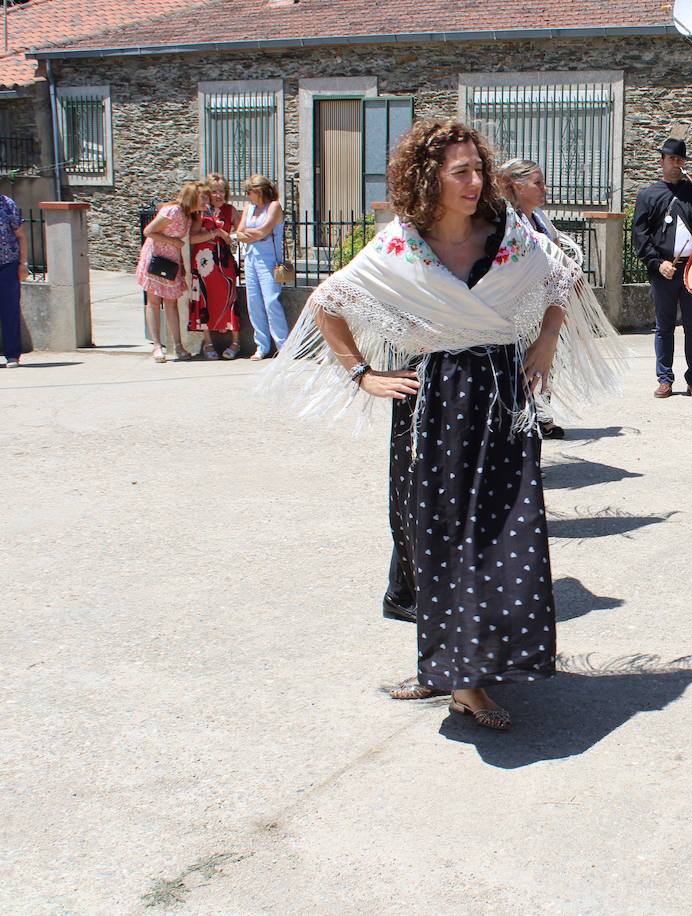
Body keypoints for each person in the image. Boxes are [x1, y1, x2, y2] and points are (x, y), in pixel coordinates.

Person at [263, 119, 621, 728]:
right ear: (428, 177)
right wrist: (362, 375)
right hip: (433, 405)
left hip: (503, 398)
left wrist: (546, 340)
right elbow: (327, 303)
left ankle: (469, 671)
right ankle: (453, 674)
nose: (476, 181)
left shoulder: (509, 235)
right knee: (435, 537)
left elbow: (566, 277)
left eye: (478, 169)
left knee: (505, 534)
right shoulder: (399, 245)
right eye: (462, 171)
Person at [631, 138, 692, 399]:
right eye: (671, 159)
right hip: (664, 271)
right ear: (662, 161)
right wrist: (658, 264)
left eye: (680, 160)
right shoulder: (648, 195)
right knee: (664, 327)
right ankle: (664, 379)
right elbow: (640, 235)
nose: (676, 164)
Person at [497, 157, 570, 438]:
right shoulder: (508, 222)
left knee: (544, 363)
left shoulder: (539, 219)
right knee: (523, 367)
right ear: (515, 186)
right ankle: (529, 420)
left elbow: (557, 251)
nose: (544, 188)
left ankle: (539, 415)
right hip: (518, 313)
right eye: (537, 183)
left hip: (543, 309)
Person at [137, 182, 207, 363]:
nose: (205, 200)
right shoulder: (172, 211)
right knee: (153, 302)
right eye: (203, 197)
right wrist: (172, 242)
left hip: (172, 261)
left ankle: (178, 345)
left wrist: (182, 262)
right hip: (156, 257)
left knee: (171, 303)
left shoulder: (189, 215)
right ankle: (157, 346)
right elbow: (149, 231)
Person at [235, 174, 288, 360]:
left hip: (269, 261)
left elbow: (264, 230)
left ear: (259, 191)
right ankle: (262, 345)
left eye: (249, 191)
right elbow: (239, 233)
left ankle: (283, 346)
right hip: (250, 259)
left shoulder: (274, 206)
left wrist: (251, 234)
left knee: (271, 302)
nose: (247, 195)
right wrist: (254, 234)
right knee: (254, 303)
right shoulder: (249, 209)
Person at [189, 174, 241, 360]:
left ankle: (235, 341)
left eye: (222, 191)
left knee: (229, 296)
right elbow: (191, 238)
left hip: (224, 261)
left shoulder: (230, 210)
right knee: (205, 298)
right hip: (203, 262)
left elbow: (241, 232)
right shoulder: (201, 213)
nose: (218, 195)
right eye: (214, 191)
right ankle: (208, 342)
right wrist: (215, 233)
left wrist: (231, 236)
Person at [0, 193, 26, 368]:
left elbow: (21, 236)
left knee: (10, 310)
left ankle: (12, 355)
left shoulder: (7, 204)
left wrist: (23, 264)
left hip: (7, 265)